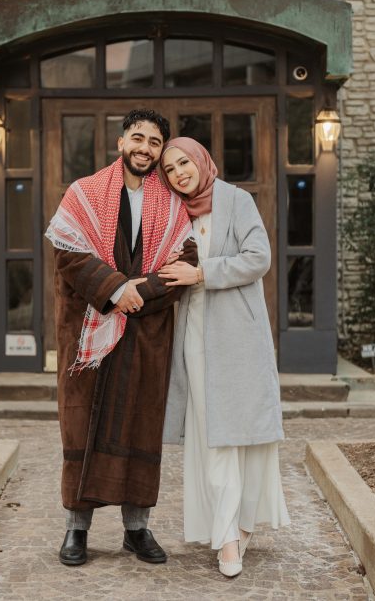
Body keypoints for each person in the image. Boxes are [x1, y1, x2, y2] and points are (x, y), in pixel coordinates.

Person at [45, 112, 197, 567]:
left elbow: (185, 264)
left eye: (154, 142)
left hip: (146, 333)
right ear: (121, 142)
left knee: (139, 428)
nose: (145, 148)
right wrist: (114, 289)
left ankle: (137, 529)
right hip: (89, 330)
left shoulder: (172, 205)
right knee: (82, 426)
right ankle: (76, 529)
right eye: (138, 137)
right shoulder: (84, 192)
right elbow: (68, 254)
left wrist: (136, 293)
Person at [158, 137, 290, 578]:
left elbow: (259, 258)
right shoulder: (174, 212)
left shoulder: (237, 200)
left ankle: (244, 521)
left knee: (245, 435)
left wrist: (202, 273)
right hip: (195, 335)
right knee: (212, 434)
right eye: (169, 169)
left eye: (183, 163)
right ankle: (227, 536)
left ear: (201, 160)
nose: (179, 173)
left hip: (239, 336)